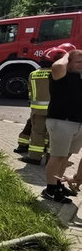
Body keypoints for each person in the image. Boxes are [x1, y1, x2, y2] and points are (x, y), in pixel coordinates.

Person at [42, 44, 82, 203]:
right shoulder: (59, 75)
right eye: (78, 61)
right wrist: (68, 54)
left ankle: (58, 183)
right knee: (57, 156)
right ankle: (50, 190)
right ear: (69, 62)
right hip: (61, 121)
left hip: (77, 123)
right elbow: (58, 65)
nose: (81, 64)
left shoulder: (79, 77)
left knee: (66, 156)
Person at [21, 51, 56, 164]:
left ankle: (34, 157)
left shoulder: (33, 74)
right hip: (55, 110)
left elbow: (30, 92)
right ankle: (50, 159)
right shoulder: (58, 73)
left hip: (37, 110)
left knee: (37, 133)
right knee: (52, 135)